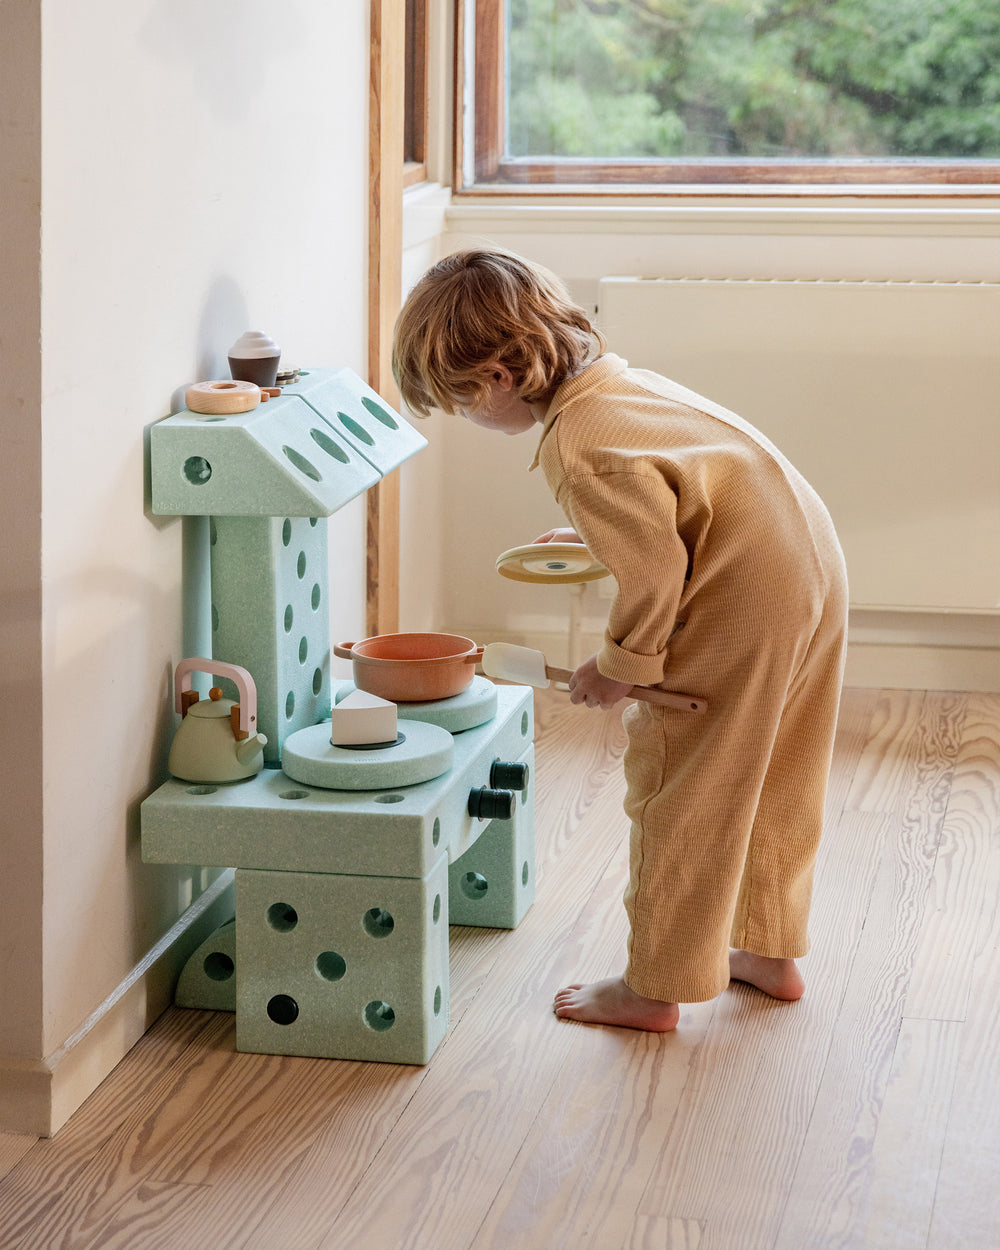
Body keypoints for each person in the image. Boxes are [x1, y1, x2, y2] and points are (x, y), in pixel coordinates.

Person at [392, 247, 848, 1032]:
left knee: (681, 785)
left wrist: (618, 668)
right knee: (776, 768)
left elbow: (654, 576)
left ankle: (655, 987)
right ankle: (767, 948)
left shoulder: (581, 445)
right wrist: (590, 530)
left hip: (740, 600)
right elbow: (675, 490)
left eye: (462, 402)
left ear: (499, 377)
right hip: (805, 563)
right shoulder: (618, 388)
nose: (470, 417)